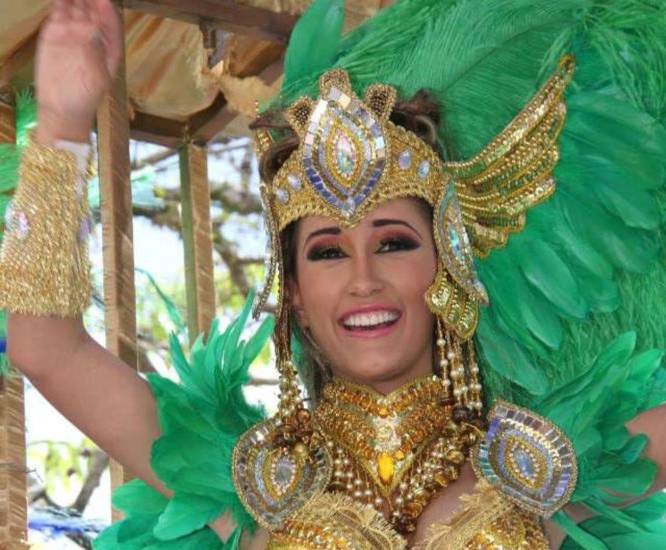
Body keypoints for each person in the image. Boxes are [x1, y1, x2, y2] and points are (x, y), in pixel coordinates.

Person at [1, 0, 665, 548]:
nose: (363, 277)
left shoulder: (545, 471)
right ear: (295, 292)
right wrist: (61, 125)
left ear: (447, 267)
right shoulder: (249, 485)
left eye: (395, 242)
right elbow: (47, 348)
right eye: (326, 252)